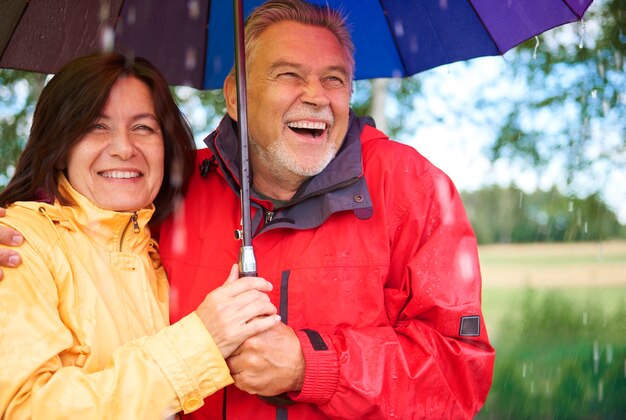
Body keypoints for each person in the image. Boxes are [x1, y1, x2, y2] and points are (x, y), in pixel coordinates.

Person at [0, 0, 495, 418]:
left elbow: (458, 378)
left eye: (335, 79)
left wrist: (312, 366)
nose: (315, 97)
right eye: (288, 75)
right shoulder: (173, 187)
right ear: (236, 94)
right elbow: (78, 216)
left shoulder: (411, 187)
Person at [0, 52, 280, 419]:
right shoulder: (20, 246)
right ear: (59, 146)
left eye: (144, 128)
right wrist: (200, 343)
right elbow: (26, 410)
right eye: (96, 126)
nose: (123, 148)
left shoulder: (159, 250)